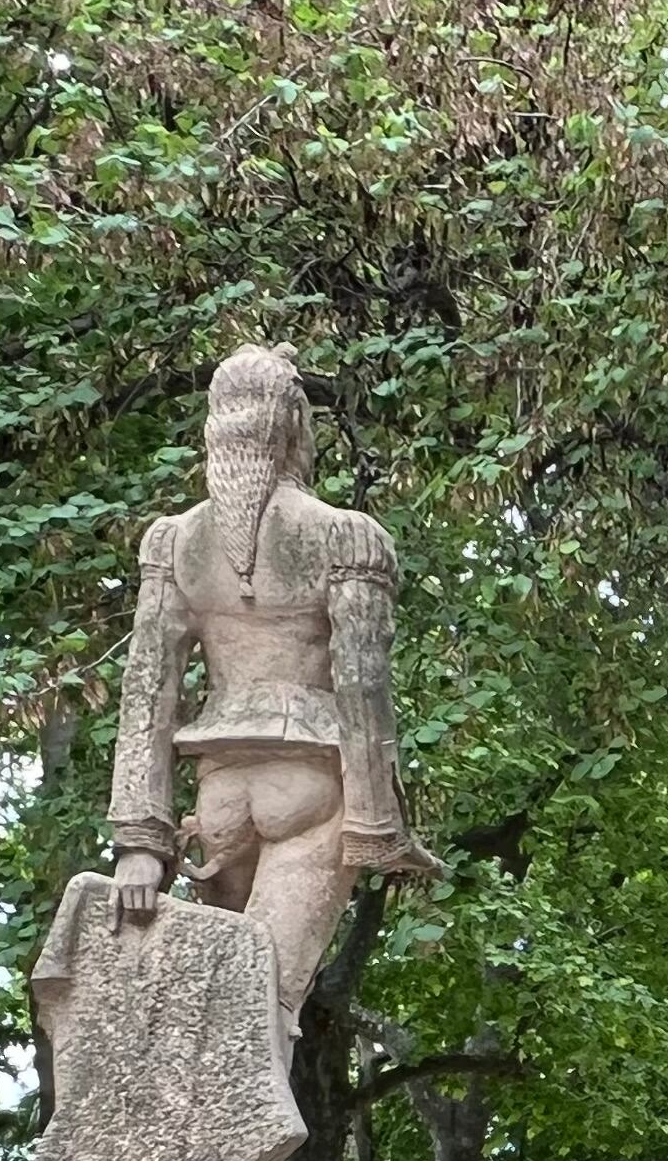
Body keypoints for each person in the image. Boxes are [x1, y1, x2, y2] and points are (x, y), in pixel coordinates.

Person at [104, 346, 428, 1049]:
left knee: (213, 1011)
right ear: (294, 429)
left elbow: (146, 696)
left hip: (219, 796)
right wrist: (378, 827)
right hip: (307, 787)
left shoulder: (174, 543)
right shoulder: (344, 536)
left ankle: (179, 1151)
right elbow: (363, 687)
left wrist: (139, 843)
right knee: (260, 1019)